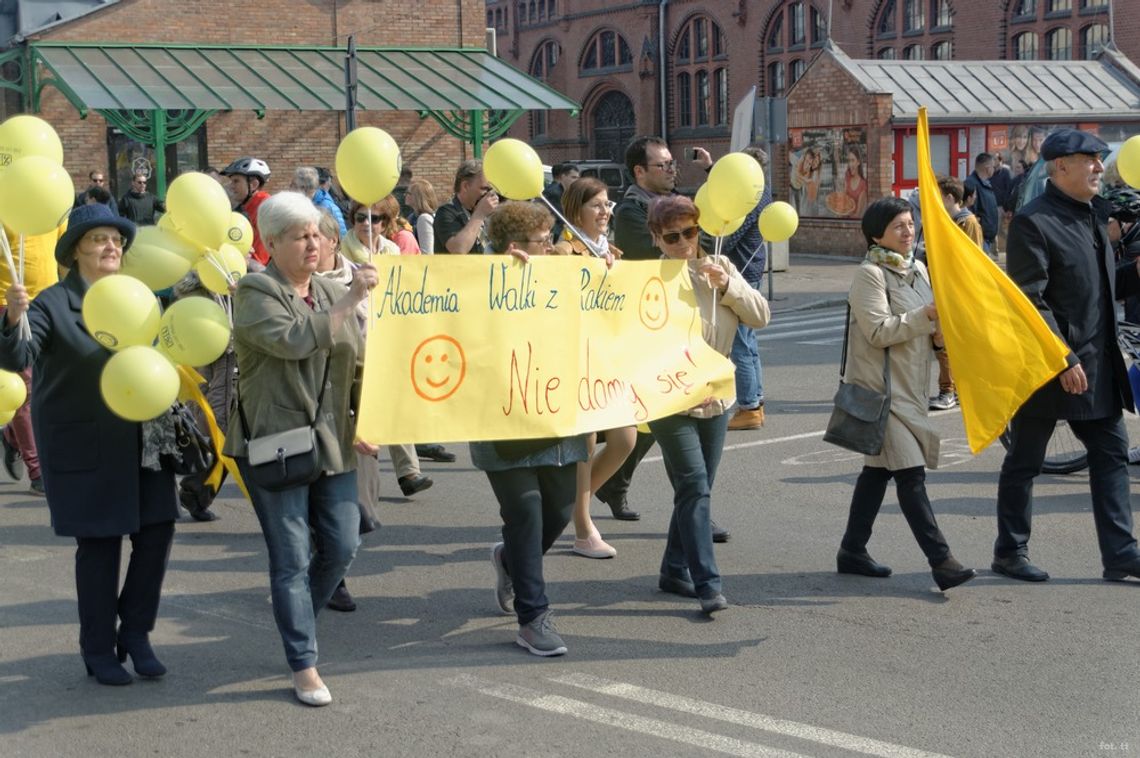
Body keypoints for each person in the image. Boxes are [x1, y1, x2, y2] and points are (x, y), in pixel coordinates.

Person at [0, 203, 178, 685]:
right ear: (75, 249)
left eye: (117, 239)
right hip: (88, 444)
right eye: (99, 238)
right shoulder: (52, 304)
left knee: (157, 533)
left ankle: (136, 634)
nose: (111, 246)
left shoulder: (141, 297)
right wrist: (13, 317)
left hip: (145, 438)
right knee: (99, 547)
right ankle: (98, 648)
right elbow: (18, 353)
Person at [223, 191, 379, 706]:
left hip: (333, 439)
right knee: (290, 557)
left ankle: (297, 616)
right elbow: (294, 341)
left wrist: (370, 419)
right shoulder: (254, 290)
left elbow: (354, 362)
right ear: (271, 243)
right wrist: (349, 301)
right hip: (277, 444)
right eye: (299, 235)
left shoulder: (325, 291)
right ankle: (304, 662)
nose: (313, 243)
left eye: (316, 232)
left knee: (343, 543)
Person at [995, 128, 1140, 583]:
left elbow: (1100, 288)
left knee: (1112, 453)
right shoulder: (1033, 222)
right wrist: (1062, 357)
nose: (1100, 167)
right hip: (1048, 366)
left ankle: (1120, 554)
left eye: (1100, 159)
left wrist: (1134, 272)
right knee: (1025, 460)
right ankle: (1010, 551)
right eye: (1090, 160)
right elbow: (1029, 299)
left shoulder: (1094, 216)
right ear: (1060, 167)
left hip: (1097, 365)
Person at [834, 197, 977, 592]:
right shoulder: (870, 275)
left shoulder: (917, 270)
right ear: (876, 234)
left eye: (911, 224)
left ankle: (852, 550)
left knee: (876, 473)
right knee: (910, 477)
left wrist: (945, 332)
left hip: (912, 389)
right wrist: (927, 316)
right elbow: (879, 331)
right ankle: (942, 561)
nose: (908, 231)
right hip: (884, 393)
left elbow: (929, 332)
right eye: (898, 226)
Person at [645, 195, 771, 613]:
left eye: (691, 232)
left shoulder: (720, 266)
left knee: (695, 488)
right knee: (695, 484)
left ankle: (672, 569)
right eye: (672, 236)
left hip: (717, 396)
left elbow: (760, 315)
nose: (683, 242)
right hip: (669, 398)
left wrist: (727, 285)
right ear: (656, 239)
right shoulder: (649, 277)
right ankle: (707, 584)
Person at [479, 200, 589, 655]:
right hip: (505, 423)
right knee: (524, 512)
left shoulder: (559, 279)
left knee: (558, 512)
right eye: (544, 241)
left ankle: (510, 561)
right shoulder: (481, 283)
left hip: (556, 416)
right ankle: (533, 617)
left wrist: (606, 278)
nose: (552, 246)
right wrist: (503, 281)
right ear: (513, 247)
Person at [549, 178, 634, 558]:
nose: (604, 212)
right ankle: (583, 527)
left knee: (625, 439)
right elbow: (556, 266)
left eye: (607, 204)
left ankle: (571, 507)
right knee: (585, 442)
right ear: (575, 210)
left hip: (609, 356)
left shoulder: (609, 250)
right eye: (596, 205)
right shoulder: (567, 248)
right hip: (576, 354)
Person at [0, 222, 65, 495]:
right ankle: (37, 469)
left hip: (49, 301)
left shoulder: (54, 202)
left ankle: (11, 436)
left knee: (49, 383)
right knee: (25, 387)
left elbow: (64, 256)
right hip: (8, 303)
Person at [172, 270, 235, 523]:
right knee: (221, 437)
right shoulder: (206, 296)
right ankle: (195, 491)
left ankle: (195, 492)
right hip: (219, 372)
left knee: (223, 440)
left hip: (223, 373)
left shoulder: (234, 286)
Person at [723, 147, 773, 431]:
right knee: (748, 341)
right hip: (749, 269)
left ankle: (749, 407)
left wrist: (709, 244)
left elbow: (733, 236)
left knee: (740, 343)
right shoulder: (761, 191)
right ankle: (756, 400)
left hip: (742, 270)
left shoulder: (753, 196)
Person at [926, 175, 984, 412]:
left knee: (945, 340)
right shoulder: (947, 221)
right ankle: (955, 389)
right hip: (943, 287)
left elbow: (973, 259)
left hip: (957, 290)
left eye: (938, 197)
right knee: (941, 340)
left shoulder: (967, 222)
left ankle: (948, 390)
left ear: (950, 197)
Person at [433, 159, 498, 254]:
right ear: (465, 186)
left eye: (491, 190)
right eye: (484, 189)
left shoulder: (487, 214)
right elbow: (458, 249)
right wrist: (479, 214)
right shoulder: (446, 212)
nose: (488, 195)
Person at [221, 157, 272, 268]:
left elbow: (260, 259)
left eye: (236, 181)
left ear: (253, 184)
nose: (231, 186)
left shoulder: (265, 207)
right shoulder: (245, 206)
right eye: (231, 181)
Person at [291, 166, 347, 236]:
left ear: (304, 187)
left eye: (293, 185)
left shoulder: (327, 207)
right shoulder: (303, 204)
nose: (290, 188)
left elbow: (341, 236)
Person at [964, 153, 999, 256]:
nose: (994, 169)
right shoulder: (971, 184)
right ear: (987, 168)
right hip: (979, 239)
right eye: (993, 167)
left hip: (986, 239)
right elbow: (969, 211)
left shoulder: (985, 183)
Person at [543, 163, 580, 241]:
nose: (576, 180)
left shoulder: (570, 193)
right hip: (553, 233)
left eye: (577, 178)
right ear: (563, 177)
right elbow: (561, 217)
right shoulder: (554, 193)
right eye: (573, 177)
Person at [407, 178, 439, 255]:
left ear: (417, 197)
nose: (405, 195)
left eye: (408, 193)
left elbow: (427, 252)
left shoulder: (424, 218)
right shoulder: (413, 217)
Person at [841, 146, 869, 219]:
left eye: (853, 160)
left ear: (858, 162)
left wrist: (845, 214)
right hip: (844, 219)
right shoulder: (847, 176)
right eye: (849, 160)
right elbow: (843, 199)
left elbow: (857, 214)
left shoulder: (863, 184)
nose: (850, 164)